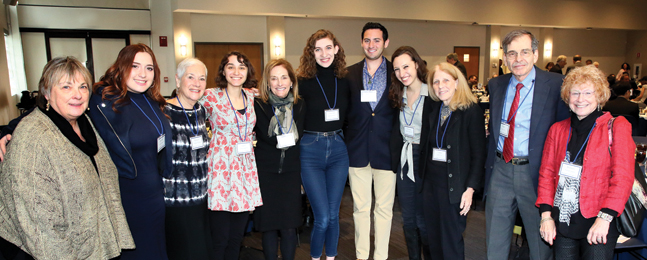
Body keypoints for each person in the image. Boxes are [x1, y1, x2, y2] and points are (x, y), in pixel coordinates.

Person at [0, 43, 173, 260]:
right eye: (135, 66)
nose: (142, 73)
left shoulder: (153, 100)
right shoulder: (102, 99)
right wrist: (6, 132)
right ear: (121, 67)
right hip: (126, 197)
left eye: (149, 68)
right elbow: (45, 113)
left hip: (153, 196)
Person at [484, 30, 570, 260]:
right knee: (495, 237)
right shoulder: (497, 85)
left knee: (540, 240)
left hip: (536, 173)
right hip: (501, 169)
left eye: (524, 52)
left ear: (535, 54)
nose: (518, 59)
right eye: (511, 53)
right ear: (504, 58)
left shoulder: (555, 84)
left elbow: (564, 134)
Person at [536, 65, 634, 260]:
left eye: (588, 92)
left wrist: (605, 218)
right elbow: (546, 175)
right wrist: (546, 216)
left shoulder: (616, 127)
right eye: (575, 93)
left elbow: (622, 178)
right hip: (563, 220)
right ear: (567, 97)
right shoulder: (557, 130)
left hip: (599, 219)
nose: (581, 99)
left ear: (599, 96)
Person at [200, 51, 262, 260]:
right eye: (231, 66)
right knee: (220, 238)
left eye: (242, 67)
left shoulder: (253, 96)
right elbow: (184, 103)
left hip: (245, 172)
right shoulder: (210, 96)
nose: (236, 72)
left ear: (248, 71)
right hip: (220, 172)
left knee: (237, 237)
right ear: (223, 71)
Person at [422, 62, 485, 260]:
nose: (441, 86)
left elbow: (478, 154)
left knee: (450, 243)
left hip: (454, 188)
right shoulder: (434, 108)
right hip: (431, 187)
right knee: (432, 241)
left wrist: (470, 189)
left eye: (446, 80)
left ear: (457, 83)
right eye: (436, 81)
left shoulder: (470, 111)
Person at [297, 29, 350, 260]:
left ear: (336, 49)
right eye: (318, 49)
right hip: (311, 150)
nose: (324, 54)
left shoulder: (346, 80)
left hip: (339, 149)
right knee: (322, 218)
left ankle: (331, 257)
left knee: (333, 215)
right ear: (312, 53)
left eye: (328, 48)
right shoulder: (302, 82)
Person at [345, 22, 396, 260]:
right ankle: (362, 255)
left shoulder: (397, 73)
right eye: (367, 40)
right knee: (360, 210)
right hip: (357, 152)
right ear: (361, 42)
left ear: (385, 43)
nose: (371, 45)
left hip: (387, 152)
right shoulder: (349, 74)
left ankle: (381, 256)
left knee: (384, 211)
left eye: (376, 40)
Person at [253, 59, 306, 260]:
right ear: (267, 83)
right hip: (266, 173)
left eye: (284, 77)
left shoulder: (300, 105)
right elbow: (266, 138)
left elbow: (299, 135)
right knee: (269, 228)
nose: (279, 83)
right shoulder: (259, 105)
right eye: (273, 78)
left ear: (292, 81)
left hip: (291, 174)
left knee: (289, 228)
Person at [163, 58, 212, 260]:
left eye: (201, 78)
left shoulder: (200, 111)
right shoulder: (164, 111)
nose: (196, 83)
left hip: (201, 197)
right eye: (190, 77)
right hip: (176, 199)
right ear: (177, 80)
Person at [388, 46, 433, 260]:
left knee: (424, 219)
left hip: (426, 161)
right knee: (408, 219)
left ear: (416, 63)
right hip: (405, 160)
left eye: (406, 66)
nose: (402, 73)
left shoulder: (432, 93)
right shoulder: (398, 95)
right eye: (397, 69)